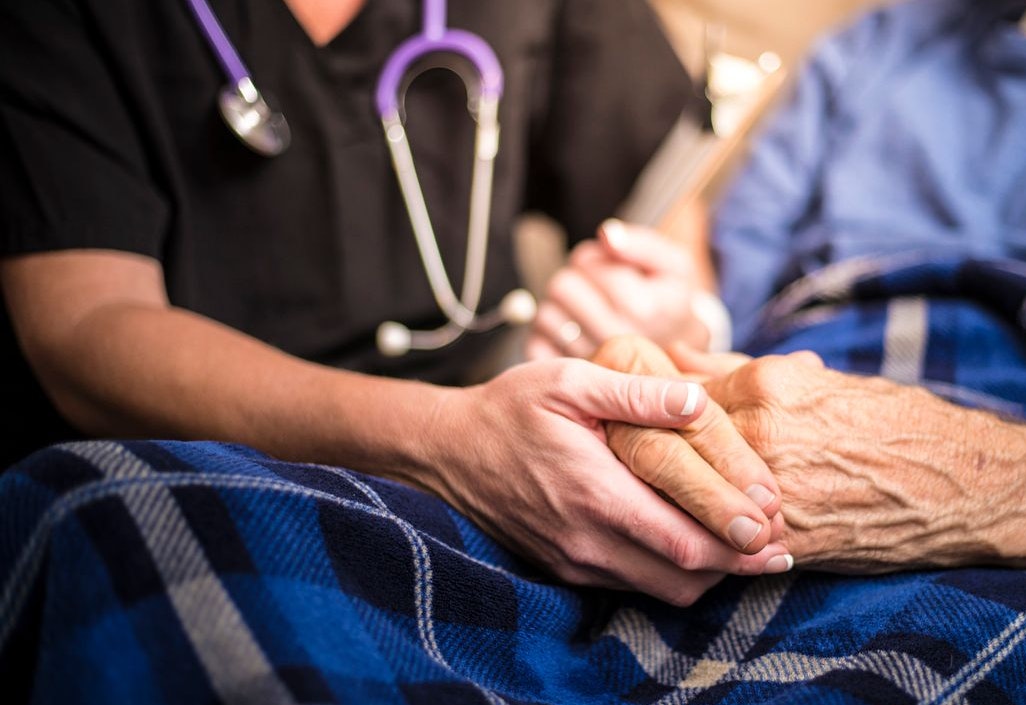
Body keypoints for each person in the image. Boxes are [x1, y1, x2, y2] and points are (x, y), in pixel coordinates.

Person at [0, 0, 797, 605]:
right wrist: (449, 443)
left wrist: (676, 314)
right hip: (190, 474)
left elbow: (660, 212)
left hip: (512, 461)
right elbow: (83, 327)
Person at [534, 0, 1026, 620]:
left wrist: (991, 485)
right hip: (785, 429)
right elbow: (731, 302)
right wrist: (677, 326)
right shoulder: (872, 47)